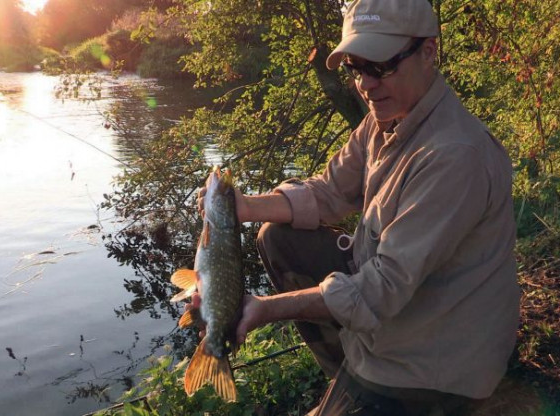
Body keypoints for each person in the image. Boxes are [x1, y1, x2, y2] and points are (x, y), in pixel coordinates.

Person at [193, 0, 520, 414]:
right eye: (355, 67)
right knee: (277, 236)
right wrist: (240, 208)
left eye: (380, 66)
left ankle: (368, 386)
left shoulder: (453, 156)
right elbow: (330, 192)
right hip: (401, 311)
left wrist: (265, 309)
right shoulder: (385, 117)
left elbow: (382, 287)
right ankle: (348, 373)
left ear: (428, 51)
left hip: (437, 364)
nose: (365, 84)